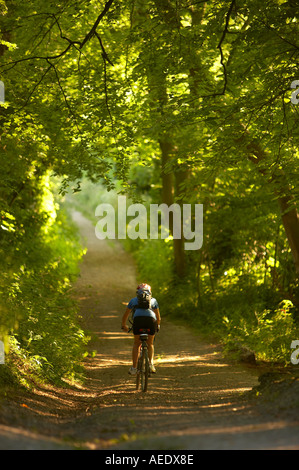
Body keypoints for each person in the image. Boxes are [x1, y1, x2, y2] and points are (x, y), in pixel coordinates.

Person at [121, 283, 161, 375]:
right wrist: (157, 325)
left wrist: (124, 325)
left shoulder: (133, 301)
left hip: (138, 321)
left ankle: (134, 368)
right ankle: (151, 365)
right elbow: (158, 318)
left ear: (137, 293)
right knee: (150, 343)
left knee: (136, 344)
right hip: (151, 321)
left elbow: (125, 316)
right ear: (150, 292)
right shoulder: (153, 300)